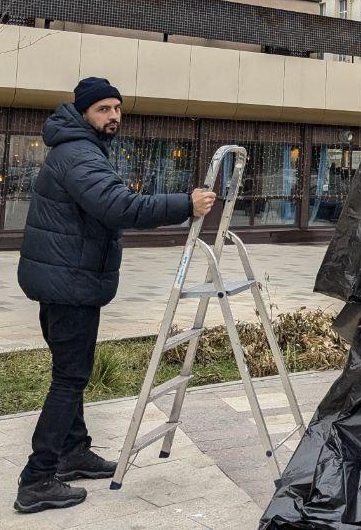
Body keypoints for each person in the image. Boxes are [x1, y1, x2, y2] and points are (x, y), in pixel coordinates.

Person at [13, 77, 216, 514]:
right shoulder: (79, 155)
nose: (114, 117)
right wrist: (186, 203)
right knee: (69, 379)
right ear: (84, 111)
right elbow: (120, 206)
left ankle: (73, 452)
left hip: (67, 281)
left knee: (72, 372)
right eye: (104, 109)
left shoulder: (78, 148)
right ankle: (36, 479)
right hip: (69, 285)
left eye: (117, 109)